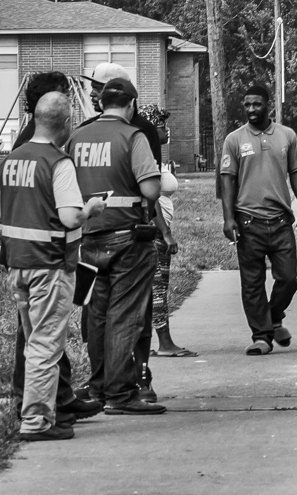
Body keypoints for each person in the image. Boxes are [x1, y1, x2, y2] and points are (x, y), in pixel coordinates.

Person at [0, 92, 106, 441]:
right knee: (45, 345)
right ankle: (37, 422)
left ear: (36, 119)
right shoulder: (59, 162)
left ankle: (37, 411)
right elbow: (70, 217)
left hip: (18, 263)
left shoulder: (10, 159)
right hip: (51, 265)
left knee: (32, 341)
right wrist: (92, 209)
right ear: (66, 124)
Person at [67, 77, 166, 415]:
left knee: (97, 316)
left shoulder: (77, 136)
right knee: (124, 317)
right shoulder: (132, 136)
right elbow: (152, 190)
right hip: (127, 239)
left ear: (101, 102)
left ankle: (97, 388)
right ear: (131, 105)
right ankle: (121, 394)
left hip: (89, 238)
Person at [220, 85, 297, 356]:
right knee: (252, 283)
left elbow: (296, 173)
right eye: (246, 105)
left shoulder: (287, 135)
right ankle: (261, 336)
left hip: (281, 221)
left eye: (256, 104)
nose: (250, 109)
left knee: (288, 277)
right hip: (248, 222)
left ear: (268, 105)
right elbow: (228, 179)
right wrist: (227, 218)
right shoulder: (234, 139)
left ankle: (272, 317)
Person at [150, 162, 198, 357]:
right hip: (153, 233)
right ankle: (164, 343)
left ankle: (155, 343)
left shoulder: (153, 154)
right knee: (157, 289)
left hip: (158, 233)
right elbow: (150, 197)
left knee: (157, 289)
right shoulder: (142, 152)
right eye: (162, 128)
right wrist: (165, 231)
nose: (166, 130)